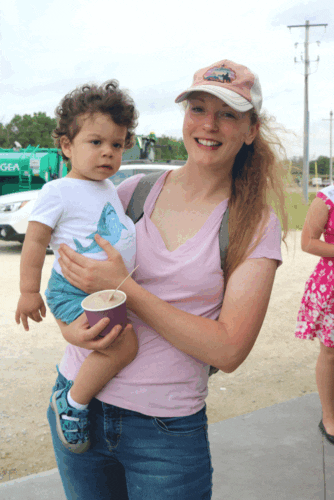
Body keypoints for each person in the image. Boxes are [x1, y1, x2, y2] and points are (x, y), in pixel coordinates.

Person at [48, 59, 288, 499]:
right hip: (77, 402)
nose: (209, 124)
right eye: (198, 108)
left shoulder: (254, 224)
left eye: (228, 114)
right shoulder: (130, 192)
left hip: (164, 433)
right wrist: (68, 328)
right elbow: (70, 273)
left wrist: (128, 289)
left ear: (250, 129)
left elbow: (230, 348)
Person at [15, 81, 139, 454]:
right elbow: (35, 242)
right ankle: (72, 403)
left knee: (117, 340)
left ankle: (77, 396)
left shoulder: (108, 188)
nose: (108, 153)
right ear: (67, 146)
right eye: (96, 142)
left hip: (106, 290)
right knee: (122, 344)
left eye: (116, 145)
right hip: (73, 288)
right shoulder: (57, 191)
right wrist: (28, 291)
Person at [295, 185, 334, 445]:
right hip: (331, 285)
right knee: (331, 352)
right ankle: (329, 417)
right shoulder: (328, 197)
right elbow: (308, 242)